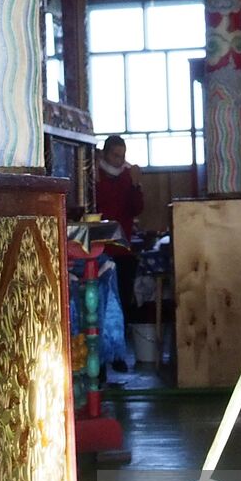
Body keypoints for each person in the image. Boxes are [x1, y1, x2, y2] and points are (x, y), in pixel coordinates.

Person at [96, 135, 146, 369]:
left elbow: (137, 209)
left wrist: (136, 185)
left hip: (123, 250)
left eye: (122, 156)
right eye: (115, 155)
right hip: (98, 249)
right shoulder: (94, 176)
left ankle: (118, 355)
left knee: (122, 303)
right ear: (105, 154)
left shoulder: (128, 176)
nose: (119, 160)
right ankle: (100, 357)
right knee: (100, 304)